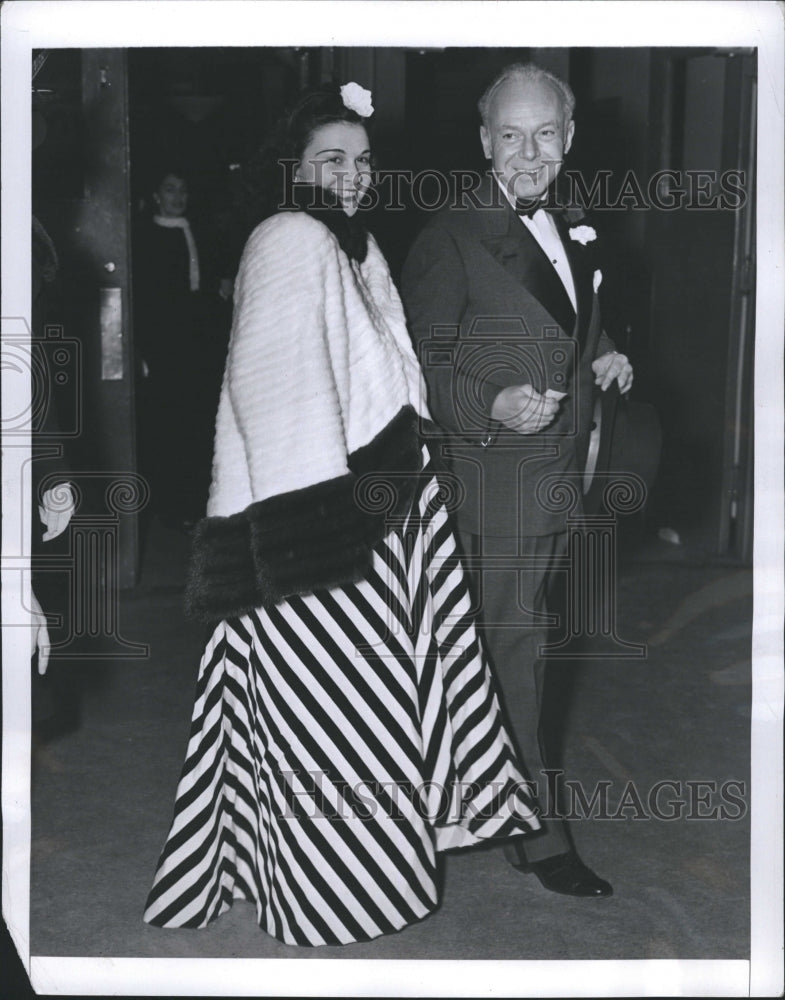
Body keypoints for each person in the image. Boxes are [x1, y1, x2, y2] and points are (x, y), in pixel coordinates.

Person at [143, 83, 541, 947]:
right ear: (292, 167)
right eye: (333, 159)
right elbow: (275, 397)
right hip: (317, 533)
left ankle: (358, 884)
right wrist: (313, 570)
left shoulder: (339, 241)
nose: (355, 176)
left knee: (364, 719)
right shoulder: (291, 238)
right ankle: (330, 902)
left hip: (366, 511)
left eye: (363, 161)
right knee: (333, 718)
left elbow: (380, 384)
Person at [401, 62, 634, 898]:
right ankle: (537, 835)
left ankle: (481, 810)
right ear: (482, 141)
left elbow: (573, 315)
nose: (527, 152)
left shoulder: (572, 218)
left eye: (544, 134)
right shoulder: (448, 234)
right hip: (493, 483)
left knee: (512, 653)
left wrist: (601, 351)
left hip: (559, 477)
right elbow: (418, 368)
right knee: (515, 656)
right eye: (509, 135)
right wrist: (490, 399)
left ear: (569, 140)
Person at [133, 168, 225, 530]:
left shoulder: (200, 232)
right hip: (164, 348)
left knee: (198, 424)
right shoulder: (145, 236)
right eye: (170, 189)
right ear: (156, 195)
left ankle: (194, 505)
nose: (178, 196)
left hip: (198, 346)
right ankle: (167, 505)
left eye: (183, 190)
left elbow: (207, 286)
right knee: (166, 425)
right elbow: (143, 298)